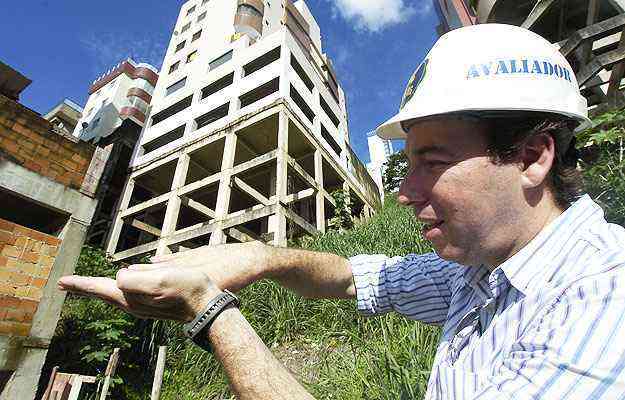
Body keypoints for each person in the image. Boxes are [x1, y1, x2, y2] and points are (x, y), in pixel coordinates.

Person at [59, 24, 625, 399]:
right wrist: (259, 256)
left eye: (431, 160)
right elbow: (358, 277)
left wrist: (211, 314)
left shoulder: (604, 297)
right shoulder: (479, 272)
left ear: (531, 157)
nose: (406, 191)